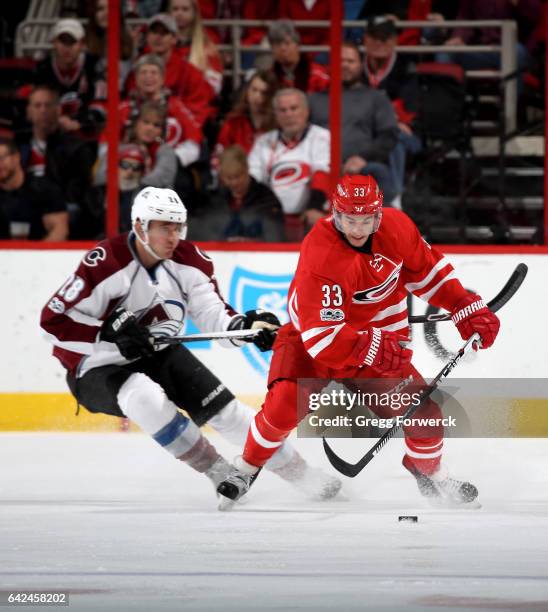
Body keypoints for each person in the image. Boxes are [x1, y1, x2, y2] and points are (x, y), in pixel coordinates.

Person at [39, 186, 341, 506]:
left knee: (230, 414)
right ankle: (219, 471)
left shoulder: (190, 261)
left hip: (156, 352)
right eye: (164, 228)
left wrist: (245, 327)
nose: (173, 237)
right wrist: (106, 332)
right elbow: (52, 322)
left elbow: (213, 313)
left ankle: (303, 476)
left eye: (177, 227)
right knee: (144, 396)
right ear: (141, 226)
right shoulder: (106, 262)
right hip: (95, 366)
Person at [216, 174, 501, 506]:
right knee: (284, 405)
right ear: (336, 214)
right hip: (313, 342)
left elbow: (428, 271)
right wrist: (374, 347)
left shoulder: (397, 228)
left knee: (424, 415)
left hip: (375, 340)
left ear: (379, 215)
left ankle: (432, 473)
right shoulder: (321, 253)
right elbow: (323, 339)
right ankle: (246, 468)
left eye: (366, 219)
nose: (357, 228)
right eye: (350, 219)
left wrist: (462, 305)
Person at [309, 42, 400, 205]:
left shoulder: (376, 98)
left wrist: (363, 158)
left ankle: (387, 226)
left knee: (378, 172)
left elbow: (388, 136)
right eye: (340, 61)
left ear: (360, 64)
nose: (344, 65)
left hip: (362, 168)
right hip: (320, 169)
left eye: (350, 61)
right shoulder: (313, 100)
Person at [248, 88, 330, 240]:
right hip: (272, 217)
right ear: (276, 115)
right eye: (282, 110)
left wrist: (314, 207)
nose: (289, 115)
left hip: (310, 215)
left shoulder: (322, 138)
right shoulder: (263, 142)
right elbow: (252, 180)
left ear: (306, 111)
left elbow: (323, 173)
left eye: (294, 108)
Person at [17, 85, 98, 238]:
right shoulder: (17, 145)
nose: (43, 110)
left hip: (58, 208)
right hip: (23, 206)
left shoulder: (77, 148)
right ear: (28, 111)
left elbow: (76, 192)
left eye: (48, 105)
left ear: (58, 110)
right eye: (37, 105)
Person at [188, 145, 285, 242]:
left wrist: (250, 242)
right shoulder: (212, 201)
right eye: (229, 178)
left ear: (247, 168)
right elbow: (199, 234)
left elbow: (275, 238)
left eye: (238, 176)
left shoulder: (267, 200)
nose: (234, 183)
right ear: (221, 176)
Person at [32, 18, 103, 135]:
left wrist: (80, 122)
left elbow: (100, 104)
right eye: (62, 41)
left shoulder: (94, 66)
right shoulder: (42, 69)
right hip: (51, 130)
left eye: (72, 42)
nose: (67, 47)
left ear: (82, 44)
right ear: (54, 43)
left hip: (86, 130)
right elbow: (36, 105)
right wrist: (55, 119)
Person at [0, 138, 68, 240]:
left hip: (36, 251)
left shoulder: (44, 190)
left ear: (16, 157)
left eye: (1, 158)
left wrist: (37, 254)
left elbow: (59, 230)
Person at [168, 0, 224, 97]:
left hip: (197, 105)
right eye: (175, 9)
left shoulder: (208, 48)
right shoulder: (160, 45)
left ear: (194, 13)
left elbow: (214, 87)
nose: (179, 13)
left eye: (185, 9)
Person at [267, 20, 329, 94]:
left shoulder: (318, 75)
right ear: (272, 49)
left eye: (287, 43)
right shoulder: (268, 78)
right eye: (277, 44)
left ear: (297, 45)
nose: (283, 48)